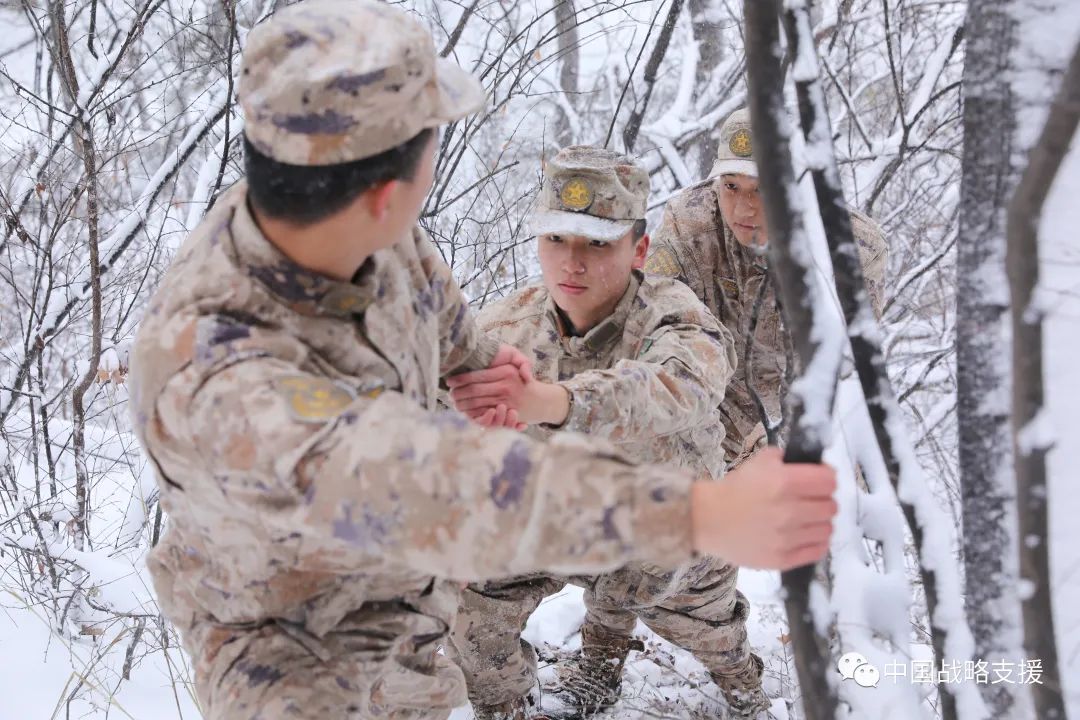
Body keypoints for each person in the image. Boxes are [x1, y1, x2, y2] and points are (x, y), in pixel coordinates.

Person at [128, 4, 839, 718]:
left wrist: (490, 376)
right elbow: (441, 488)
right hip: (303, 666)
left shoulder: (358, 226)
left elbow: (458, 342)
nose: (573, 261)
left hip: (403, 616)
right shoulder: (221, 374)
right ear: (390, 188)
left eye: (597, 243)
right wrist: (697, 512)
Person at [445, 147, 776, 719]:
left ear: (639, 248)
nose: (572, 263)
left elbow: (680, 383)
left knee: (713, 633)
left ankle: (747, 694)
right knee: (470, 602)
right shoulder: (502, 328)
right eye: (557, 239)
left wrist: (550, 401)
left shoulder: (676, 318)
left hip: (667, 546)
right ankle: (505, 710)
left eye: (597, 242)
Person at [645, 107, 889, 464]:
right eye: (731, 186)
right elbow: (656, 329)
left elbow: (846, 366)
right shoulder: (690, 225)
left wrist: (787, 429)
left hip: (811, 418)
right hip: (710, 410)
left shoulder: (851, 247)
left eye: (761, 190)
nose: (744, 209)